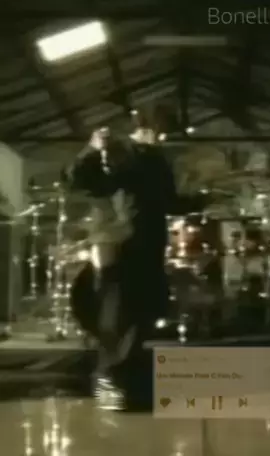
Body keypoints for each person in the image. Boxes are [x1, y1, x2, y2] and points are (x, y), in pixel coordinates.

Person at [66, 110, 178, 410]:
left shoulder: (156, 158)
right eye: (161, 129)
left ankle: (126, 379)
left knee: (142, 310)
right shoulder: (121, 151)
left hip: (148, 240)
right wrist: (92, 151)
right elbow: (86, 182)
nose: (164, 137)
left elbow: (168, 200)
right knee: (119, 311)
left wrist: (203, 200)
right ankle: (111, 378)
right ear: (146, 127)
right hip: (119, 239)